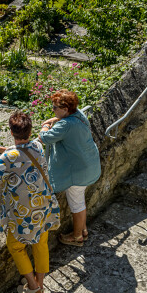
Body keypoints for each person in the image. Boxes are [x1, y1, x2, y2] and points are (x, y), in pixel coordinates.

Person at [0, 110, 60, 293]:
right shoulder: (37, 146)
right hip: (42, 204)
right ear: (30, 130)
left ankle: (33, 287)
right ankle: (40, 282)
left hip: (23, 211)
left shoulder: (9, 158)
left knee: (16, 246)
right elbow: (19, 150)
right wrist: (1, 150)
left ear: (11, 132)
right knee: (41, 242)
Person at [39, 90, 101, 246]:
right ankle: (84, 230)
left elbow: (44, 138)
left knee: (77, 204)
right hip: (89, 165)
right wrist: (56, 118)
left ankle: (78, 236)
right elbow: (63, 121)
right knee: (79, 201)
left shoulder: (66, 125)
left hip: (78, 173)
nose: (53, 110)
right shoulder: (78, 115)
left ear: (66, 109)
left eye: (55, 108)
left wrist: (45, 126)